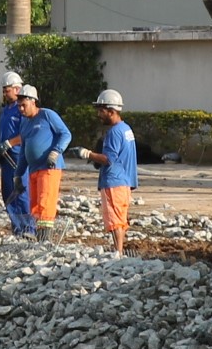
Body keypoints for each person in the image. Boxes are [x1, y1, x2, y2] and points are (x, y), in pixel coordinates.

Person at [77, 88, 139, 254]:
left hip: (114, 181)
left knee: (115, 220)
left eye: (101, 110)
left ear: (111, 111)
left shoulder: (114, 133)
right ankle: (118, 250)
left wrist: (87, 154)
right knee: (120, 218)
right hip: (124, 181)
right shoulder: (126, 129)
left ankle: (118, 252)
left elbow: (108, 159)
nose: (99, 114)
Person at [13, 85, 73, 238]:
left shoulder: (47, 115)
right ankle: (38, 237)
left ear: (33, 102)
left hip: (49, 167)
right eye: (19, 106)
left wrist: (55, 151)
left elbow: (65, 134)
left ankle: (45, 239)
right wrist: (18, 174)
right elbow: (23, 152)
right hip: (33, 169)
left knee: (45, 202)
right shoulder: (25, 123)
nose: (20, 109)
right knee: (35, 205)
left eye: (23, 105)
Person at [0, 70, 29, 235]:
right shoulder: (5, 110)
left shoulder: (22, 110)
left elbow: (26, 133)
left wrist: (9, 143)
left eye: (7, 90)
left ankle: (28, 229)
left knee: (21, 193)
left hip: (18, 158)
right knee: (8, 193)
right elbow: (2, 131)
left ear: (17, 89)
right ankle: (17, 228)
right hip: (5, 158)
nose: (5, 94)